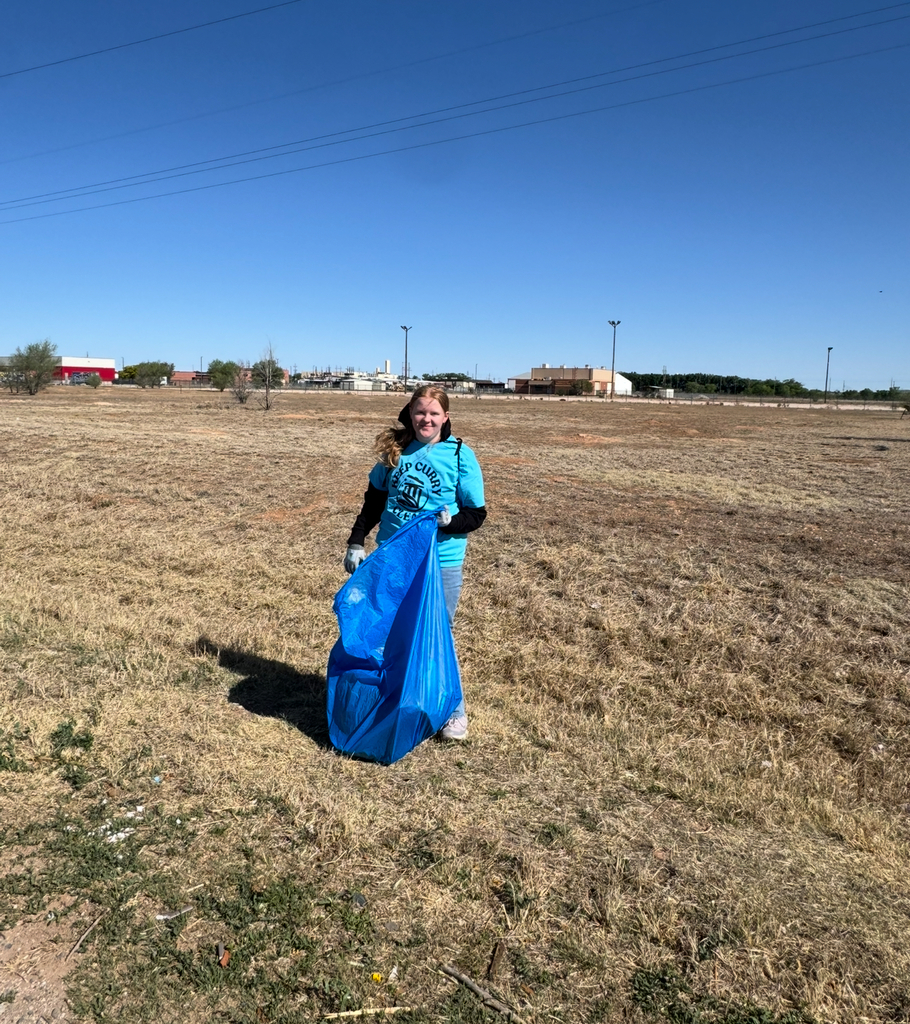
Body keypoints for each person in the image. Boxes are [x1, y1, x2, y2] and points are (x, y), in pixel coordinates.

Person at [344, 385, 487, 740]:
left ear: (446, 417)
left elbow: (477, 513)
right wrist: (356, 541)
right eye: (420, 411)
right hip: (394, 559)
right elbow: (373, 501)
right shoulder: (395, 454)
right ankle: (394, 700)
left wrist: (449, 523)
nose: (426, 419)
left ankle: (453, 711)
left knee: (435, 633)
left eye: (434, 413)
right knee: (390, 631)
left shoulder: (459, 456)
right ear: (410, 413)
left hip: (441, 562)